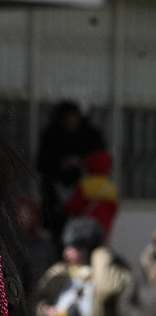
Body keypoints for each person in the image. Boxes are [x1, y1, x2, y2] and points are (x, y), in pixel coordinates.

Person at [36, 101, 106, 246]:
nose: (71, 124)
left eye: (74, 120)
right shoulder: (52, 138)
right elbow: (42, 164)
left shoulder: (88, 138)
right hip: (55, 199)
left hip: (81, 218)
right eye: (68, 120)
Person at [61, 149, 119, 240]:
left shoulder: (84, 185)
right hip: (104, 228)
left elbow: (74, 206)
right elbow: (114, 209)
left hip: (85, 229)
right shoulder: (110, 187)